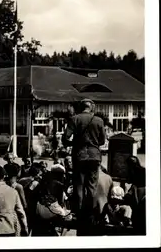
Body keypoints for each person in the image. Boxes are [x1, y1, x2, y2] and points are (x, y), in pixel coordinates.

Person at [63, 98, 106, 235]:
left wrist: (74, 144)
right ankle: (91, 212)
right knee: (92, 185)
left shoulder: (74, 119)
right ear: (91, 107)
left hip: (80, 156)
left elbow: (65, 138)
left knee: (79, 185)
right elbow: (102, 140)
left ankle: (79, 213)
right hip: (94, 156)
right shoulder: (99, 120)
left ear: (81, 107)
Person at [0, 165, 28, 237]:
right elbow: (21, 212)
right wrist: (25, 227)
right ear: (3, 176)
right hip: (11, 228)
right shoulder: (13, 191)